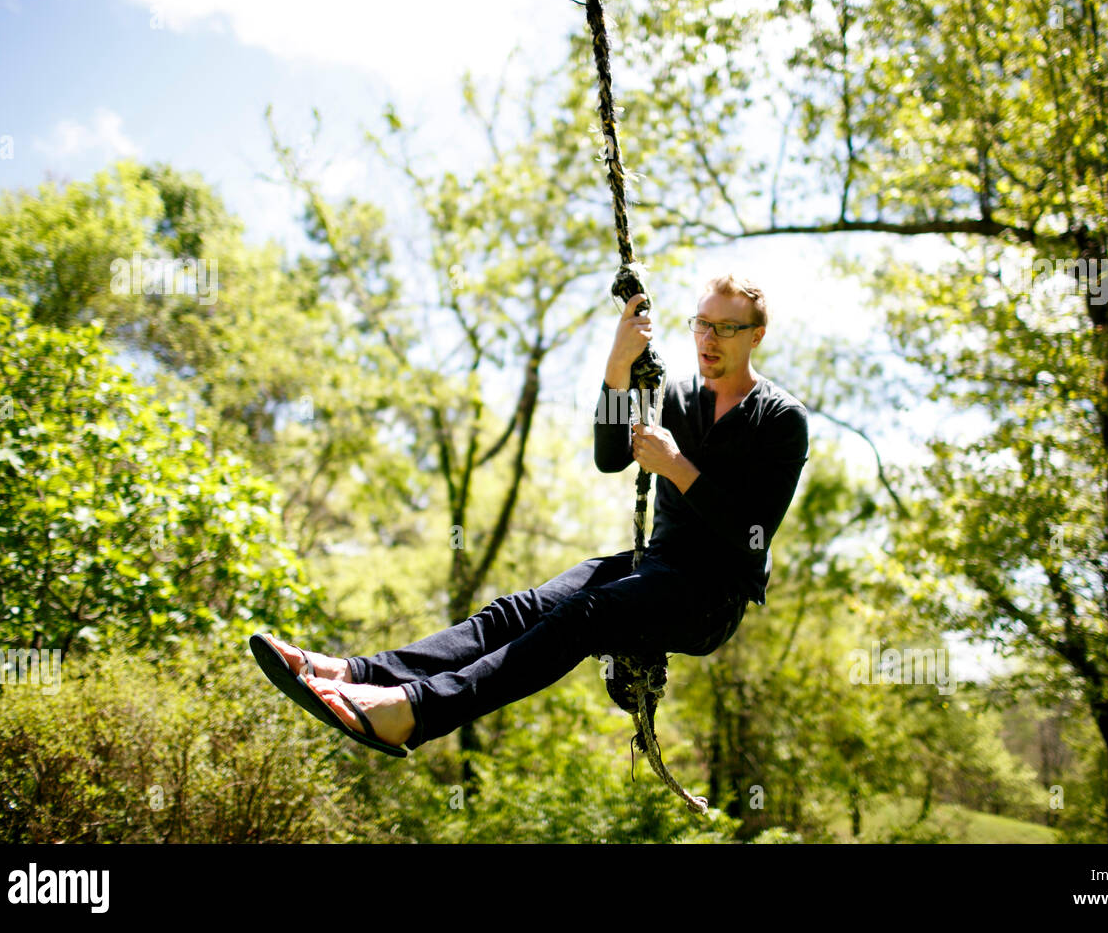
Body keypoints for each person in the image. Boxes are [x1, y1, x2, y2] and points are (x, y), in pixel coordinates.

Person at [255, 273, 810, 753]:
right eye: (701, 323)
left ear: (756, 335)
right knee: (519, 610)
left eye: (726, 328)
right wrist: (617, 370)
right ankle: (355, 674)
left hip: (710, 595)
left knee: (583, 616)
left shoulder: (781, 419)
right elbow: (611, 457)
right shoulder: (678, 396)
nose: (708, 339)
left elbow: (752, 536)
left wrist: (677, 466)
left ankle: (414, 712)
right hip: (652, 565)